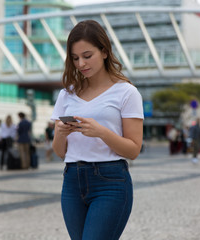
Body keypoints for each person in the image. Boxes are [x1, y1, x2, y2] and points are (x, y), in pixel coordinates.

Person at [50, 20, 144, 240]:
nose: (81, 63)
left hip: (110, 183)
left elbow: (133, 150)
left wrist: (101, 132)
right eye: (75, 58)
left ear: (104, 51)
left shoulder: (127, 93)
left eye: (87, 55)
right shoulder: (67, 94)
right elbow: (60, 152)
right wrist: (61, 133)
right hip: (72, 181)